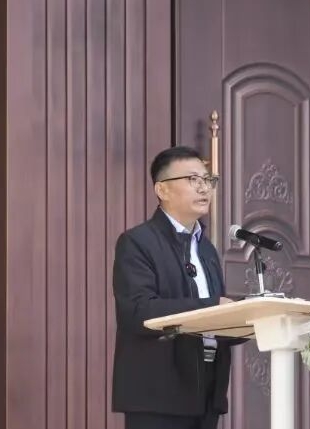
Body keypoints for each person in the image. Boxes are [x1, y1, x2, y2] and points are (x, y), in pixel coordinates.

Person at [112, 146, 245, 429]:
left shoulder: (207, 249)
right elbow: (138, 312)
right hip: (157, 395)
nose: (204, 188)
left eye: (208, 180)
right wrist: (213, 307)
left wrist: (248, 318)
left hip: (207, 393)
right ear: (162, 190)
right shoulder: (137, 242)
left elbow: (214, 319)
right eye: (192, 179)